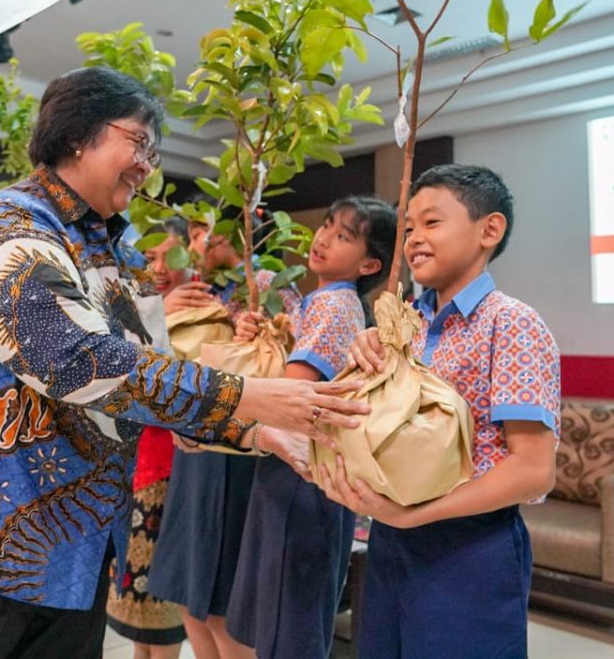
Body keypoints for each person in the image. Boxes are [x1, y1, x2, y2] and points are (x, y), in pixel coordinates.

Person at [0, 66, 365, 659]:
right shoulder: (4, 228)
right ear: (78, 134)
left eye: (154, 149)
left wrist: (258, 430)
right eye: (138, 141)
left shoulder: (122, 258)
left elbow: (146, 381)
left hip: (70, 551)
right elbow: (79, 361)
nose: (147, 162)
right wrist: (249, 395)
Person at [325, 165, 562, 659]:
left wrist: (416, 516)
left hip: (470, 549)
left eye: (431, 223)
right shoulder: (406, 323)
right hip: (392, 540)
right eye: (408, 227)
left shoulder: (512, 323)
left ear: (488, 230)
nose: (413, 239)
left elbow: (534, 470)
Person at [227, 195, 397, 659]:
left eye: (344, 236)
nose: (323, 238)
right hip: (297, 470)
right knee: (282, 622)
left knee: (290, 628)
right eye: (326, 225)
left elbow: (290, 392)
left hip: (304, 475)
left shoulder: (336, 306)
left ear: (370, 263)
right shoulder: (320, 300)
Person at [147, 207, 303, 659]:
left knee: (222, 601)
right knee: (188, 593)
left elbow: (285, 368)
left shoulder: (270, 288)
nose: (194, 241)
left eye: (203, 233)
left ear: (235, 239)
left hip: (239, 455)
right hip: (196, 447)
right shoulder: (197, 289)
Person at [104, 217, 194, 658]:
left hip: (172, 470)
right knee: (135, 611)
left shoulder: (201, 310)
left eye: (169, 256)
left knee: (162, 611)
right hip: (133, 462)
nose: (157, 267)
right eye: (149, 257)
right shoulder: (139, 303)